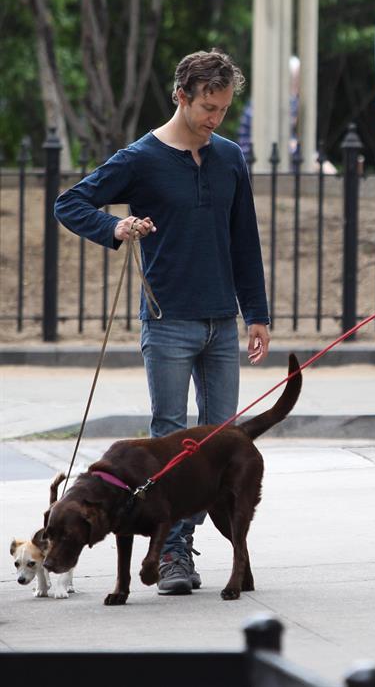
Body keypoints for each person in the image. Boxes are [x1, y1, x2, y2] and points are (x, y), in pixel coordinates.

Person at [54, 48, 270, 595]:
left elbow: (245, 237)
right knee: (168, 441)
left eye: (222, 108)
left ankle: (224, 554)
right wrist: (115, 229)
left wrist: (257, 314)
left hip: (223, 320)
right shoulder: (141, 158)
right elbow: (70, 203)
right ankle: (174, 554)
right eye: (206, 106)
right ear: (181, 95)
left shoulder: (228, 157)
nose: (214, 118)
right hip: (167, 319)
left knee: (221, 441)